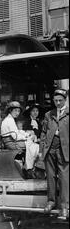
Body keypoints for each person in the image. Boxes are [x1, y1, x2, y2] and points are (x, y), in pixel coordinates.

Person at [41, 89, 69, 219]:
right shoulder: (49, 114)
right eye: (55, 100)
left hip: (64, 150)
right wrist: (42, 150)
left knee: (64, 178)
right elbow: (43, 133)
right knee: (50, 177)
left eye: (60, 100)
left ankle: (64, 207)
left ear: (65, 100)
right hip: (50, 149)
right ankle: (51, 202)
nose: (57, 103)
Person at [1, 101, 40, 177]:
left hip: (12, 140)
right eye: (15, 111)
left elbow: (17, 131)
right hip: (11, 143)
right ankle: (29, 168)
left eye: (18, 111)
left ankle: (29, 168)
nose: (17, 113)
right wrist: (27, 137)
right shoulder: (9, 120)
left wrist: (26, 134)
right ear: (10, 110)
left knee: (33, 145)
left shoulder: (11, 119)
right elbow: (16, 136)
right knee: (34, 147)